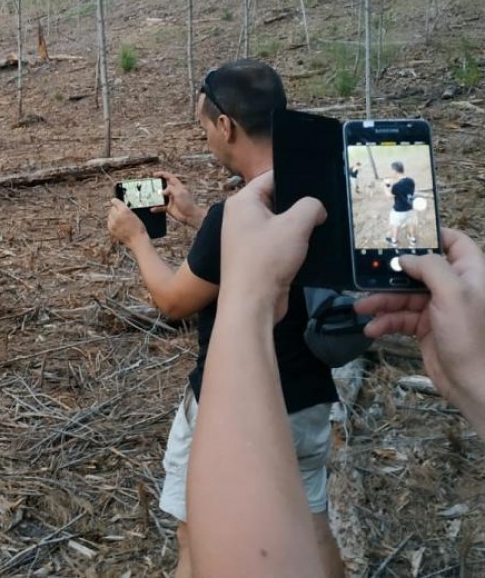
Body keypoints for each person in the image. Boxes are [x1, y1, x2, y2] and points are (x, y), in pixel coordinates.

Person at [107, 60, 343, 578]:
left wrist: (136, 238)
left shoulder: (232, 217)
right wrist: (197, 217)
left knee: (197, 536)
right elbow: (262, 258)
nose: (208, 140)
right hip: (307, 400)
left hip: (233, 402)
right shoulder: (317, 194)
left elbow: (173, 301)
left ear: (226, 125)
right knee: (312, 527)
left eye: (205, 129)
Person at [187, 171, 485, 577]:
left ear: (227, 134)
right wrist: (474, 374)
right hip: (314, 401)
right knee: (315, 518)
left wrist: (249, 297)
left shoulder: (233, 221)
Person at [384, 161, 418, 247]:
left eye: (391, 170)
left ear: (395, 171)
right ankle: (413, 240)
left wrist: (385, 186)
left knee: (395, 225)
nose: (390, 172)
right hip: (410, 208)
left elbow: (389, 196)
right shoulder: (411, 180)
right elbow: (405, 191)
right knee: (410, 223)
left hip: (399, 211)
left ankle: (394, 241)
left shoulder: (396, 186)